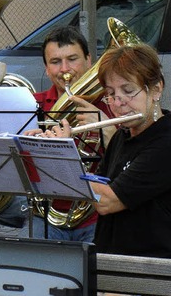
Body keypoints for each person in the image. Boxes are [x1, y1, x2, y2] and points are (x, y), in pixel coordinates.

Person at [44, 44, 171, 258]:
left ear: (156, 88)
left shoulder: (165, 141)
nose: (118, 103)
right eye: (111, 94)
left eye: (128, 91)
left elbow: (106, 201)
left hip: (148, 264)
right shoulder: (124, 135)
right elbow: (96, 186)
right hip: (111, 255)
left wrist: (63, 154)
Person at [21, 26, 114, 242]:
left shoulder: (111, 105)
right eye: (55, 62)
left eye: (72, 59)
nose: (65, 69)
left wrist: (107, 127)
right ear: (46, 68)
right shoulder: (31, 105)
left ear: (89, 61)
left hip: (96, 216)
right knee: (24, 265)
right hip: (45, 214)